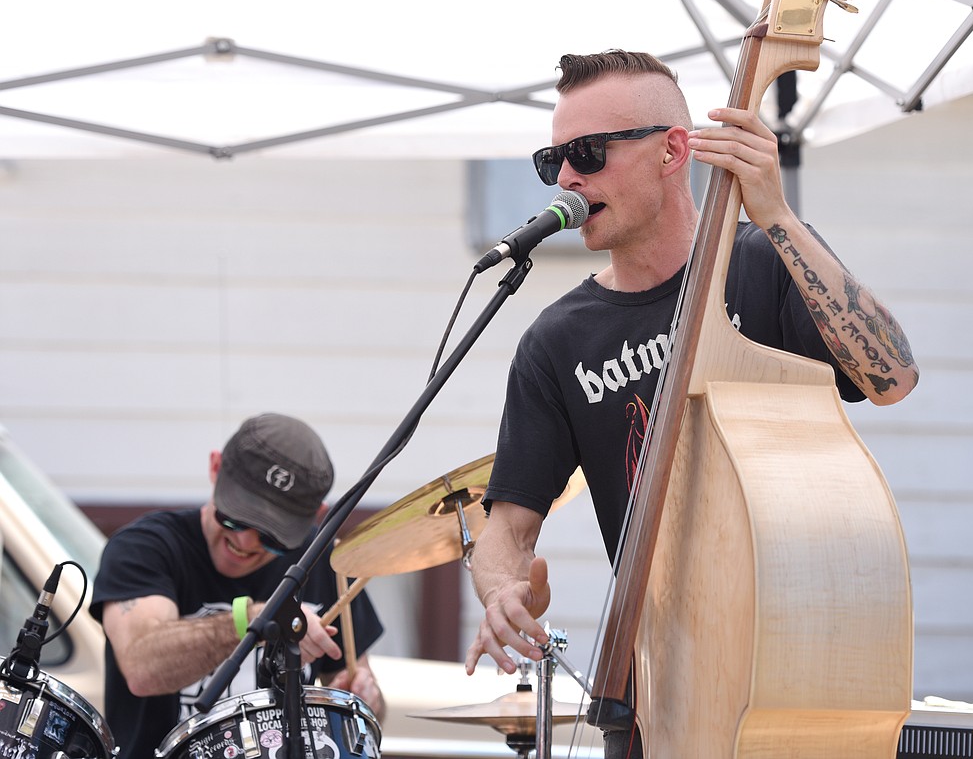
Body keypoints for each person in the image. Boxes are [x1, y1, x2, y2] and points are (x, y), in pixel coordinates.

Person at [463, 50, 919, 757]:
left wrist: (778, 216)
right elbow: (507, 529)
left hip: (792, 663)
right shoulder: (556, 341)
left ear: (674, 150)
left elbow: (892, 375)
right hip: (653, 694)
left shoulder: (767, 261)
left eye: (587, 152)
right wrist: (499, 590)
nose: (566, 178)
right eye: (551, 158)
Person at [90, 413, 385, 759]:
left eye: (272, 535)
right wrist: (256, 619)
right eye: (233, 517)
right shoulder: (146, 548)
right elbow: (142, 668)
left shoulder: (324, 561)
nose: (245, 542)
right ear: (215, 468)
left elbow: (364, 705)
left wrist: (365, 698)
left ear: (315, 516)